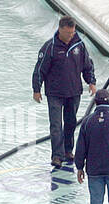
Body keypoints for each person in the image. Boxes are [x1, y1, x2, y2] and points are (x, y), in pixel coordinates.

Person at [32, 15, 96, 168]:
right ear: (60, 30)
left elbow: (87, 65)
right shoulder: (50, 47)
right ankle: (57, 156)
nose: (70, 36)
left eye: (73, 33)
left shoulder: (79, 46)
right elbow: (40, 69)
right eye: (68, 33)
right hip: (54, 93)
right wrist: (36, 89)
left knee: (70, 123)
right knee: (56, 125)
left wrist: (91, 82)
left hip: (74, 92)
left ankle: (68, 150)